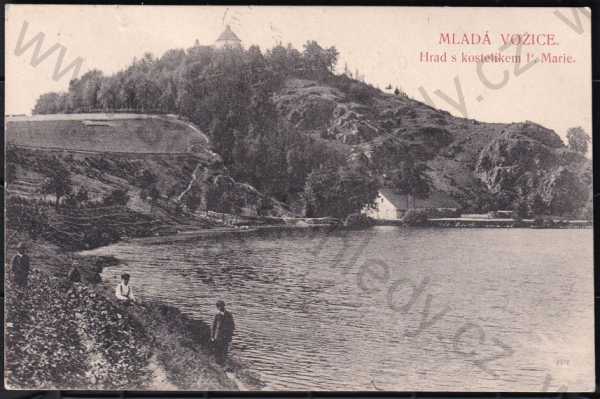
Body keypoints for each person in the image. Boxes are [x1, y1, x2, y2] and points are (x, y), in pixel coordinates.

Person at [211, 300, 235, 367]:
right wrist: (212, 337)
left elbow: (232, 326)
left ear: (224, 306)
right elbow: (213, 326)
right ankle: (218, 364)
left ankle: (224, 365)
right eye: (218, 307)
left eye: (221, 306)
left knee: (225, 351)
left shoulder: (229, 314)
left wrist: (230, 336)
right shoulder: (216, 315)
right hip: (218, 336)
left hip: (226, 336)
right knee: (217, 350)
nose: (220, 308)